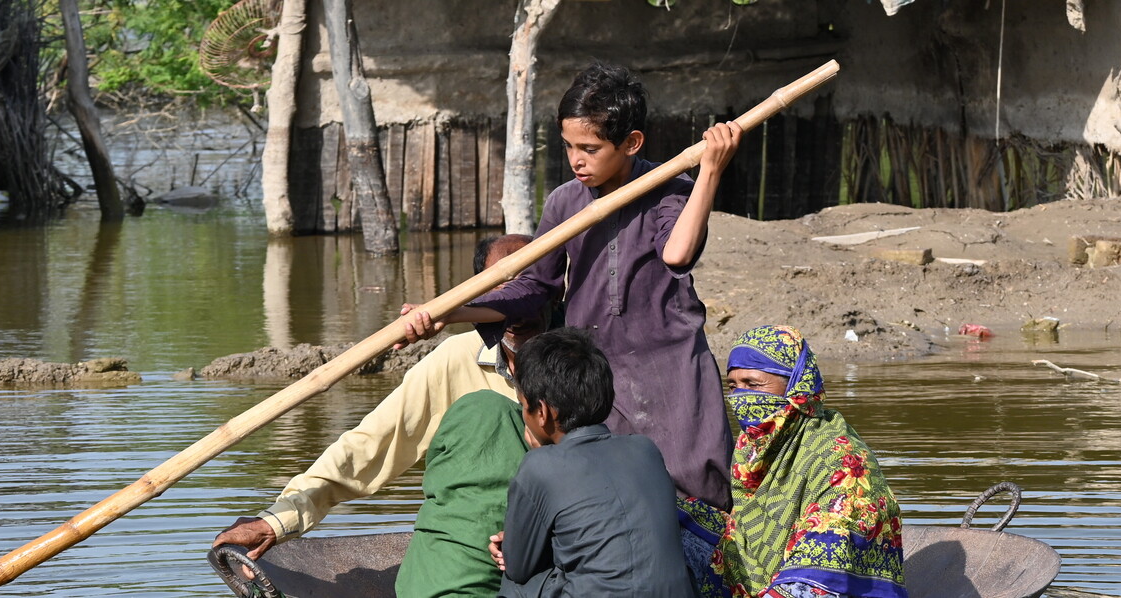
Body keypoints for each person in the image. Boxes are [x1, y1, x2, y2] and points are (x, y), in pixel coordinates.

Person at [404, 61, 741, 512]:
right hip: (596, 371)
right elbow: (534, 288)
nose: (576, 160)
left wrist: (710, 173)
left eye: (590, 147)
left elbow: (678, 254)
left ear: (631, 143)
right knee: (608, 492)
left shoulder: (669, 186)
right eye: (568, 146)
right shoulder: (565, 201)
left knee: (694, 482)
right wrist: (451, 312)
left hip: (671, 366)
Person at [211, 234, 547, 565]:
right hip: (481, 543)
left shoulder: (580, 358)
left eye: (526, 288)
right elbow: (373, 443)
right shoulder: (455, 359)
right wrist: (278, 519)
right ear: (478, 293)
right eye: (501, 287)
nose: (514, 304)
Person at [680, 325, 907, 598]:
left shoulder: (844, 465)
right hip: (763, 577)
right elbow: (745, 533)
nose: (740, 398)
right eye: (733, 386)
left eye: (752, 384)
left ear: (796, 386)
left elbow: (817, 575)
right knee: (669, 518)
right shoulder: (756, 448)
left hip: (820, 584)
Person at [488, 328, 694, 597]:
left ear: (542, 412)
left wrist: (510, 547)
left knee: (515, 585)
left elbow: (518, 567)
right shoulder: (645, 449)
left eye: (523, 405)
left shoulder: (539, 466)